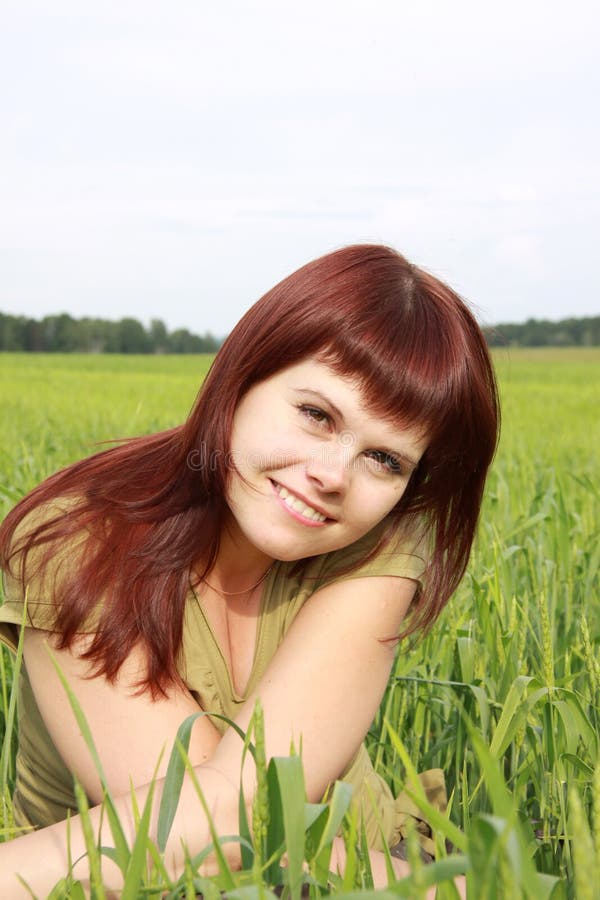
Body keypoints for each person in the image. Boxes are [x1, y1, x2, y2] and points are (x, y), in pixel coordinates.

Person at [0, 244, 498, 897]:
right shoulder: (79, 544)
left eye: (384, 459)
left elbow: (238, 823)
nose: (333, 476)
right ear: (242, 376)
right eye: (317, 415)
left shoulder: (379, 539)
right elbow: (221, 834)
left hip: (369, 857)